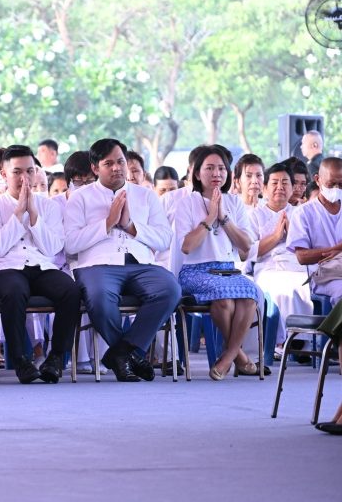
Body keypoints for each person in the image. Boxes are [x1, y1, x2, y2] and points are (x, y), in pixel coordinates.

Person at [64, 139, 181, 382]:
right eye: (109, 164)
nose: (117, 168)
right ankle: (130, 357)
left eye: (120, 162)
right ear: (95, 168)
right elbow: (71, 243)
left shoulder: (146, 196)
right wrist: (107, 223)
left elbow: (164, 239)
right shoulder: (80, 198)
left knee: (170, 289)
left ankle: (122, 354)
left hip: (141, 264)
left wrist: (130, 226)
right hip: (97, 265)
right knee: (99, 297)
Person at [0, 145, 80, 384]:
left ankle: (56, 358)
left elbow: (52, 248)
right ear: (4, 174)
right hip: (5, 268)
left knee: (71, 290)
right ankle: (21, 361)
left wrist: (33, 214)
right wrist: (18, 213)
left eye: (29, 171)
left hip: (41, 266)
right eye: (17, 172)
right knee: (15, 291)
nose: (24, 178)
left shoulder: (49, 206)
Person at [173, 145, 261, 381]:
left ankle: (229, 355)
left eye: (221, 168)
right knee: (223, 299)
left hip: (228, 271)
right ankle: (238, 357)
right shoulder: (187, 203)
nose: (216, 173)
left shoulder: (234, 202)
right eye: (209, 168)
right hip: (195, 271)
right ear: (197, 173)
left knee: (250, 293)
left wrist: (223, 217)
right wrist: (210, 216)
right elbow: (187, 246)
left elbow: (246, 245)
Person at [249, 162, 313, 359]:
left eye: (285, 183)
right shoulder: (254, 215)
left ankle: (302, 340)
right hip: (269, 267)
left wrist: (292, 233)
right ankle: (281, 341)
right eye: (275, 183)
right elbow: (249, 252)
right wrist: (277, 236)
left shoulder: (301, 213)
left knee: (305, 286)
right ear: (265, 188)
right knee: (283, 288)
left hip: (298, 266)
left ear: (293, 188)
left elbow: (310, 247)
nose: (280, 187)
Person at [287, 157, 342, 307]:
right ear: (317, 179)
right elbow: (302, 257)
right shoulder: (303, 213)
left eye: (341, 185)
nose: (336, 189)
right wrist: (337, 249)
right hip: (325, 277)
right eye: (331, 184)